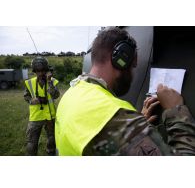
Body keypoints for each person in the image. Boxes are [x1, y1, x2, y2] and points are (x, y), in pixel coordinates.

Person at [55, 27, 195, 156]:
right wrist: (176, 111)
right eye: (132, 66)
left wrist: (136, 130)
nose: (133, 74)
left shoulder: (71, 93)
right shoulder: (115, 116)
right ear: (120, 59)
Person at [24, 56, 60, 156]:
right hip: (36, 117)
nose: (40, 73)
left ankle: (51, 153)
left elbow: (56, 95)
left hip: (50, 116)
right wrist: (31, 100)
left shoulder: (52, 81)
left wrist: (49, 82)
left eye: (43, 70)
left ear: (46, 70)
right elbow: (26, 96)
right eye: (38, 71)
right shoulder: (30, 82)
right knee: (31, 141)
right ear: (34, 71)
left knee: (52, 139)